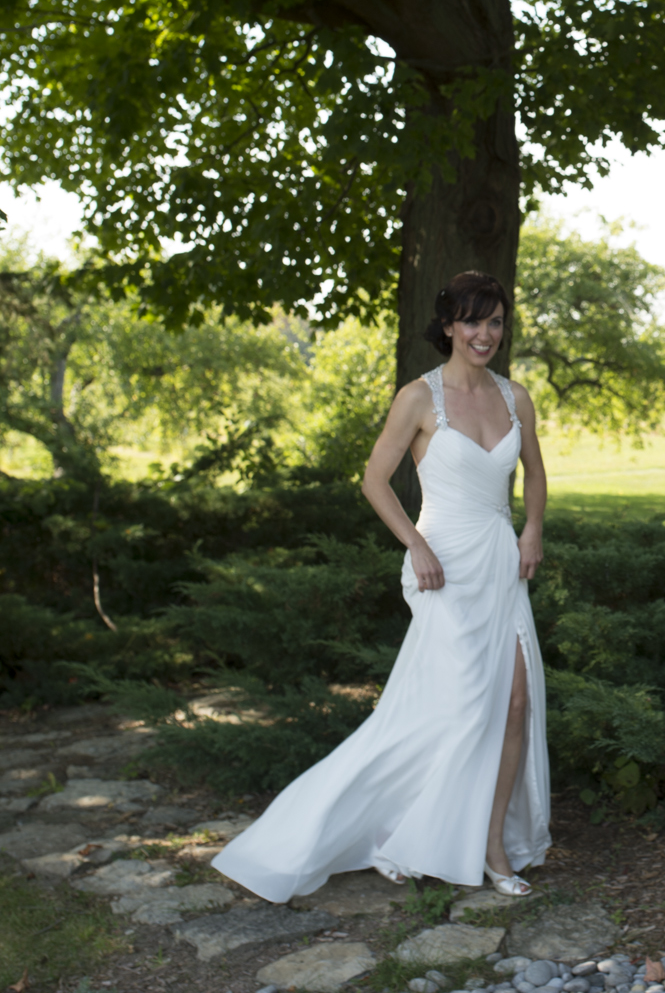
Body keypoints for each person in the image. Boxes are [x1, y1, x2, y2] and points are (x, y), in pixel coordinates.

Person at [213, 271, 551, 901]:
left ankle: (491, 844)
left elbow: (534, 475)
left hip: (501, 563)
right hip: (441, 566)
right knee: (447, 710)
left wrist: (532, 529)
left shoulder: (516, 398)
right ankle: (385, 831)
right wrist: (416, 545)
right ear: (448, 325)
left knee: (513, 705)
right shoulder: (419, 398)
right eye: (473, 321)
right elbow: (374, 480)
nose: (485, 334)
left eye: (496, 321)